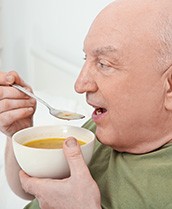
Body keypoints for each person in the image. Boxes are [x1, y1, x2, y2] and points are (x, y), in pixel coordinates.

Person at [2, 0, 172, 208]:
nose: (80, 85)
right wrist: (19, 135)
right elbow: (30, 191)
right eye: (86, 59)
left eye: (103, 64)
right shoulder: (100, 128)